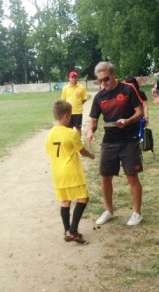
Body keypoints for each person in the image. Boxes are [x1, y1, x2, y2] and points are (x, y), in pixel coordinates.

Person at [86, 61, 144, 226]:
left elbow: (139, 112)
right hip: (109, 142)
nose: (103, 83)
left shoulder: (127, 89)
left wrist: (128, 120)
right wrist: (91, 131)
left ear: (113, 75)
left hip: (129, 140)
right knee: (105, 177)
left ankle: (137, 213)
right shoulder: (99, 96)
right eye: (100, 81)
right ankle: (109, 210)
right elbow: (94, 120)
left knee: (132, 176)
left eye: (106, 79)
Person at [45, 100, 95, 244]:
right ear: (66, 116)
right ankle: (72, 231)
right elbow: (82, 151)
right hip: (72, 172)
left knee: (65, 201)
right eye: (70, 115)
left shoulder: (50, 134)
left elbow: (49, 151)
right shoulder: (70, 133)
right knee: (83, 198)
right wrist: (91, 155)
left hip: (58, 174)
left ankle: (67, 232)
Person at [61, 71, 88, 138]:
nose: (73, 79)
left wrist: (78, 104)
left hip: (78, 112)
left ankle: (78, 143)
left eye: (75, 77)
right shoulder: (65, 88)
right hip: (68, 112)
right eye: (72, 77)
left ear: (77, 78)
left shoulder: (81, 87)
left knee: (78, 128)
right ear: (69, 78)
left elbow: (84, 98)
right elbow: (63, 100)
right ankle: (70, 141)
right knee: (69, 128)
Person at [123, 76, 149, 141]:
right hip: (128, 119)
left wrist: (146, 117)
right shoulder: (124, 94)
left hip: (138, 118)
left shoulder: (141, 93)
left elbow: (145, 106)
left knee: (138, 137)